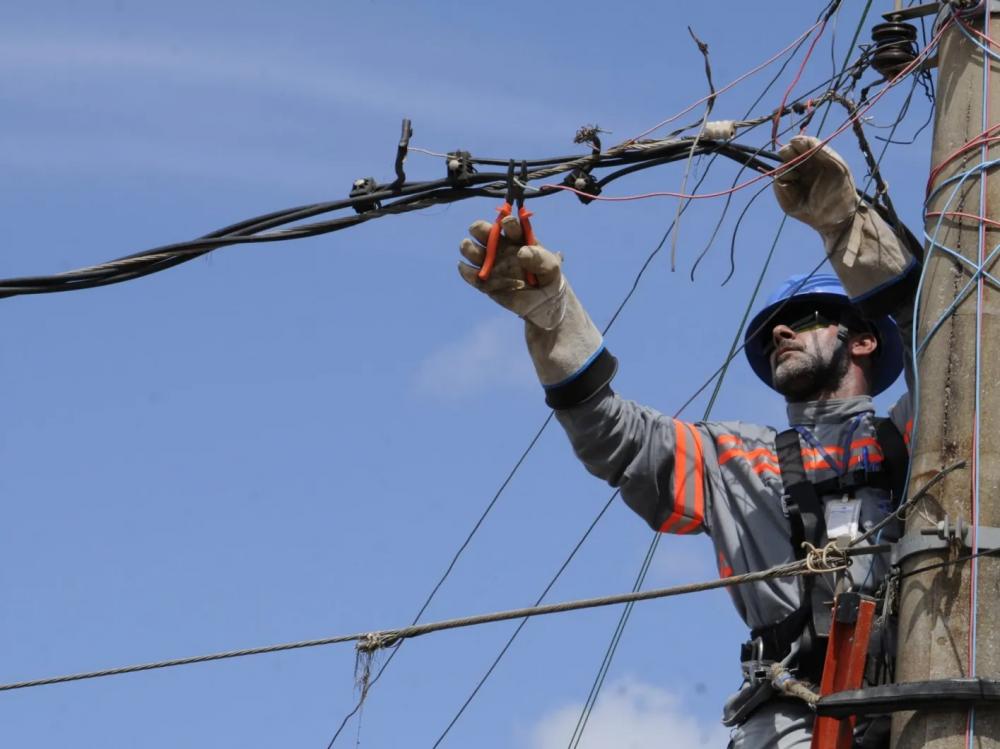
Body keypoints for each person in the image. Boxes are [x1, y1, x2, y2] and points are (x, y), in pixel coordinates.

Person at [457, 135, 922, 748]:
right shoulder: (732, 456)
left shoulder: (921, 433)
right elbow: (613, 436)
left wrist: (844, 227)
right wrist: (554, 319)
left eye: (806, 317)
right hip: (790, 721)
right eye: (770, 332)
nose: (781, 330)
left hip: (923, 708)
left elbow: (954, 346)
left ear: (864, 339)